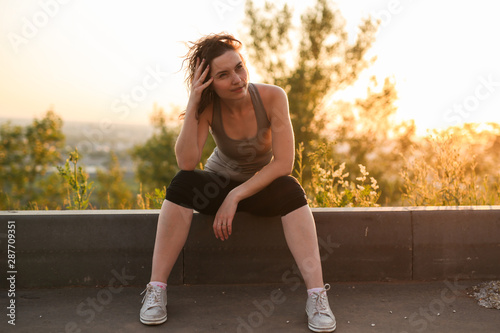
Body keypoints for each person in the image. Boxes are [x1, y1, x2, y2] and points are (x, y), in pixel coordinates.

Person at [139, 33, 336, 333]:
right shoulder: (207, 107)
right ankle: (156, 291)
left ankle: (317, 297)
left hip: (259, 191)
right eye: (223, 75)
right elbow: (187, 163)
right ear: (209, 83)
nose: (237, 79)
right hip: (216, 187)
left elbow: (284, 163)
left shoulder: (273, 97)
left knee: (291, 188)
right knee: (181, 183)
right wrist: (193, 102)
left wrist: (235, 197)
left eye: (239, 67)